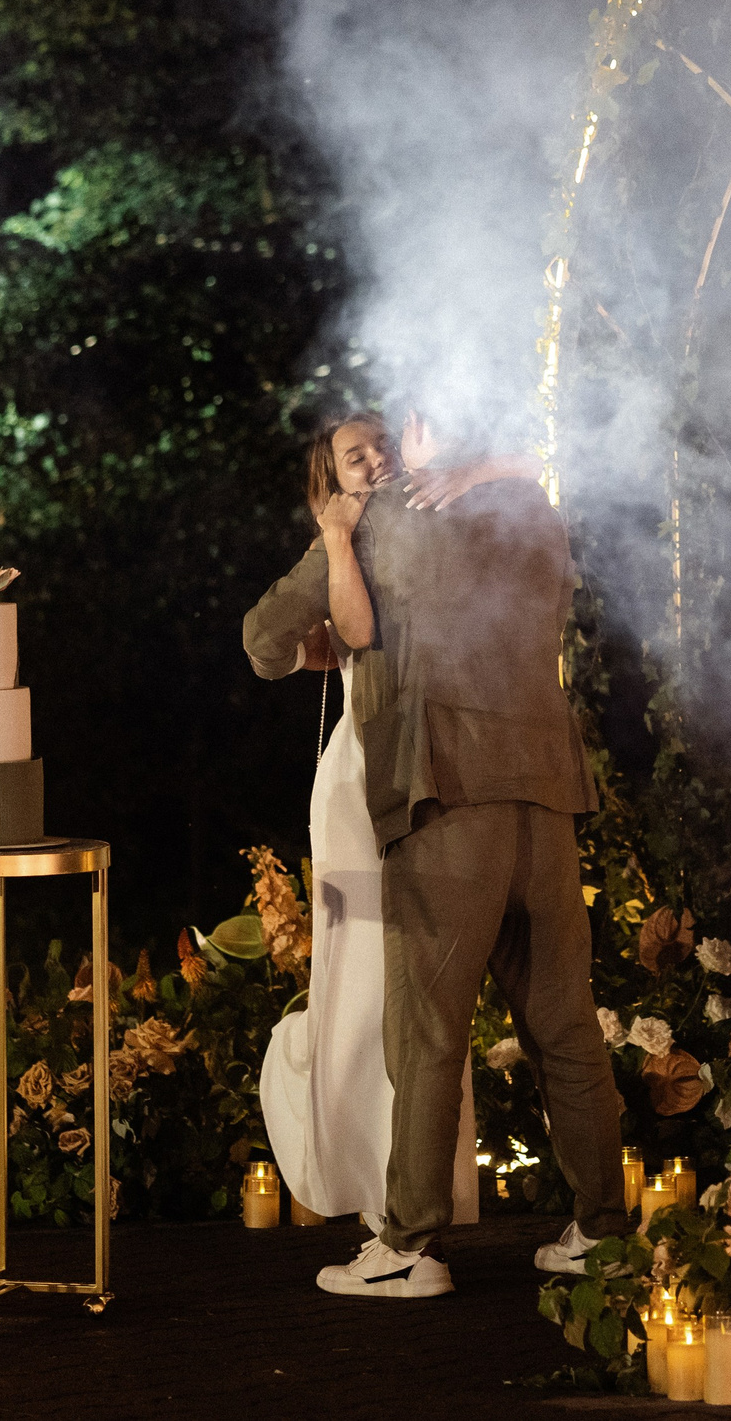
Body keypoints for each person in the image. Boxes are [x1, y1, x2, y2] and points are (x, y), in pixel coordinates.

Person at [244, 408, 630, 1302]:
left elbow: (262, 638)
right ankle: (602, 1231)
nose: (386, 449)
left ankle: (411, 1243)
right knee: (565, 1026)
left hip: (447, 799)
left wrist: (330, 567)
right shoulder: (529, 509)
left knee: (426, 1032)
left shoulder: (374, 521)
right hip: (546, 797)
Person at [253, 412, 482, 1232]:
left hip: (431, 786)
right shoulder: (342, 540)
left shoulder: (436, 527)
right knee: (359, 975)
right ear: (331, 485)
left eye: (382, 445)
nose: (378, 460)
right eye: (356, 457)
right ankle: (367, 1180)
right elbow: (263, 640)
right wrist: (309, 645)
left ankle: (414, 1188)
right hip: (355, 798)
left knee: (422, 982)